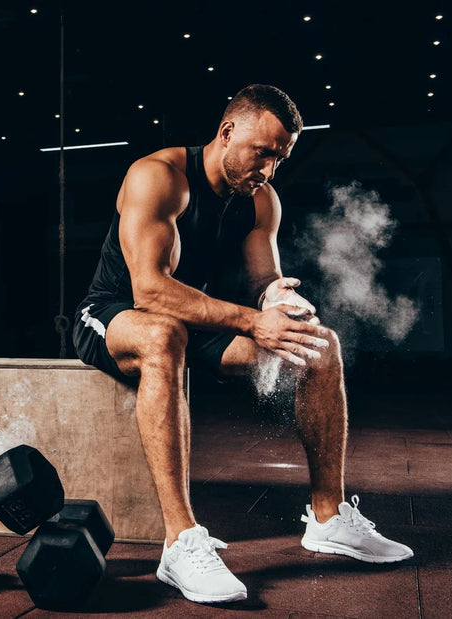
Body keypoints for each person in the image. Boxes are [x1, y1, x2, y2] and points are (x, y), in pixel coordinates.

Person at [72, 84, 413, 605]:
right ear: (228, 131)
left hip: (197, 320)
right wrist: (254, 322)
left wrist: (278, 300)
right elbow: (150, 288)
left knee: (320, 347)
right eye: (264, 152)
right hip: (115, 313)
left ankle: (328, 518)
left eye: (280, 157)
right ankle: (181, 543)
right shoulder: (158, 177)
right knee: (163, 333)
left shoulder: (260, 200)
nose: (270, 168)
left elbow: (262, 280)